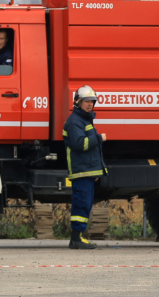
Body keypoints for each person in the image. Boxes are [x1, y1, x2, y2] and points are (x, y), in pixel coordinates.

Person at [63, 85, 108, 249]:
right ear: (78, 102)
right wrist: (99, 138)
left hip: (86, 171)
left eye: (92, 101)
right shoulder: (75, 121)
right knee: (81, 204)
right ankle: (76, 239)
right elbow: (80, 144)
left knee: (85, 203)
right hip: (81, 171)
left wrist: (94, 171)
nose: (90, 104)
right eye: (87, 101)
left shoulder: (83, 119)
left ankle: (78, 238)